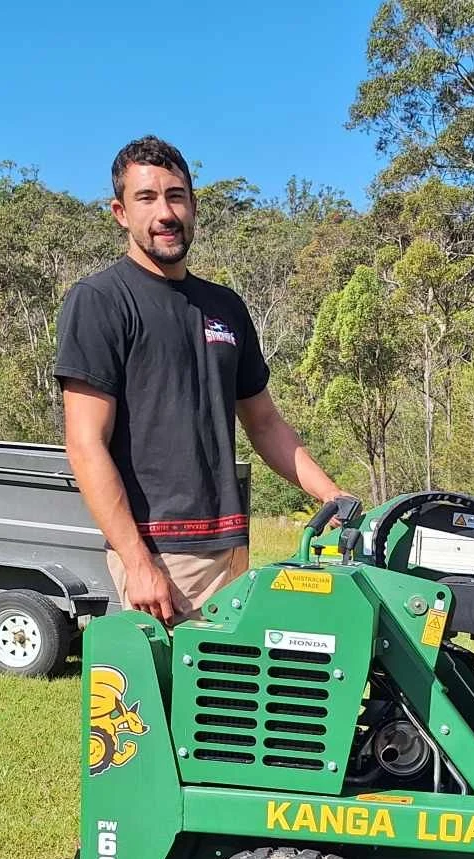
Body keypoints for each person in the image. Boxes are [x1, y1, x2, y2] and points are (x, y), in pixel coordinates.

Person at [56, 135, 347, 624]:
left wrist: (332, 495)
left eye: (176, 196)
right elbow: (86, 444)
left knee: (231, 696)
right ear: (120, 213)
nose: (165, 212)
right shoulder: (101, 300)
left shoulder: (224, 306)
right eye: (146, 198)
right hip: (163, 557)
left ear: (193, 206)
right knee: (172, 700)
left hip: (231, 545)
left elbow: (264, 423)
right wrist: (137, 561)